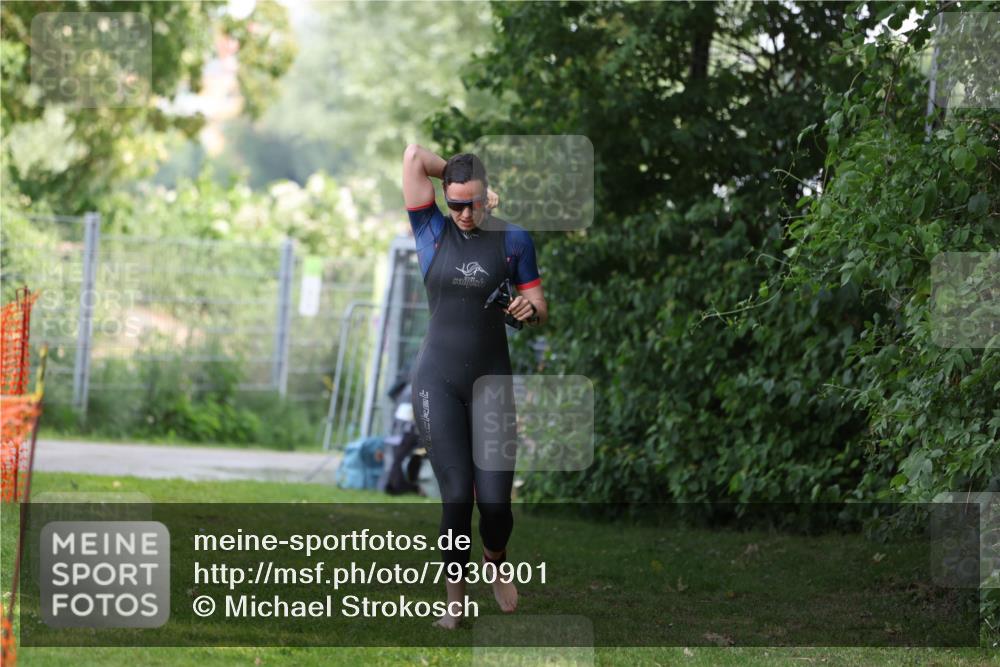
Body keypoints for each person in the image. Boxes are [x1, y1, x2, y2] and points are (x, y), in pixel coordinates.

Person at [402, 143, 547, 629]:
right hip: (436, 381)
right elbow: (414, 154)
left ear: (489, 198)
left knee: (496, 507)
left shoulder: (515, 240)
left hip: (493, 385)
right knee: (457, 497)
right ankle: (454, 602)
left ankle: (496, 560)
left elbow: (538, 306)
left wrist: (529, 310)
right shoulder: (430, 229)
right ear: (445, 200)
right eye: (456, 203)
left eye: (474, 202)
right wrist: (459, 175)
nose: (464, 213)